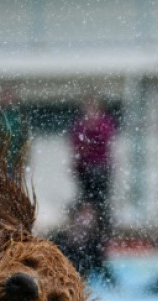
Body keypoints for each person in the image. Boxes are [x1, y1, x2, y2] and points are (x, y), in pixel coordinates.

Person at [69, 96, 117, 242]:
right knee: (85, 201)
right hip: (85, 169)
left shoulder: (104, 123)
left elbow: (103, 140)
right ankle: (85, 233)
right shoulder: (80, 124)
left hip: (100, 169)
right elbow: (76, 142)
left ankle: (102, 233)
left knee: (100, 202)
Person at [49, 201, 116, 286]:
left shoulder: (93, 249)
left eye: (90, 216)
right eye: (83, 214)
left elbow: (107, 279)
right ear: (73, 217)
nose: (85, 220)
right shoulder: (56, 241)